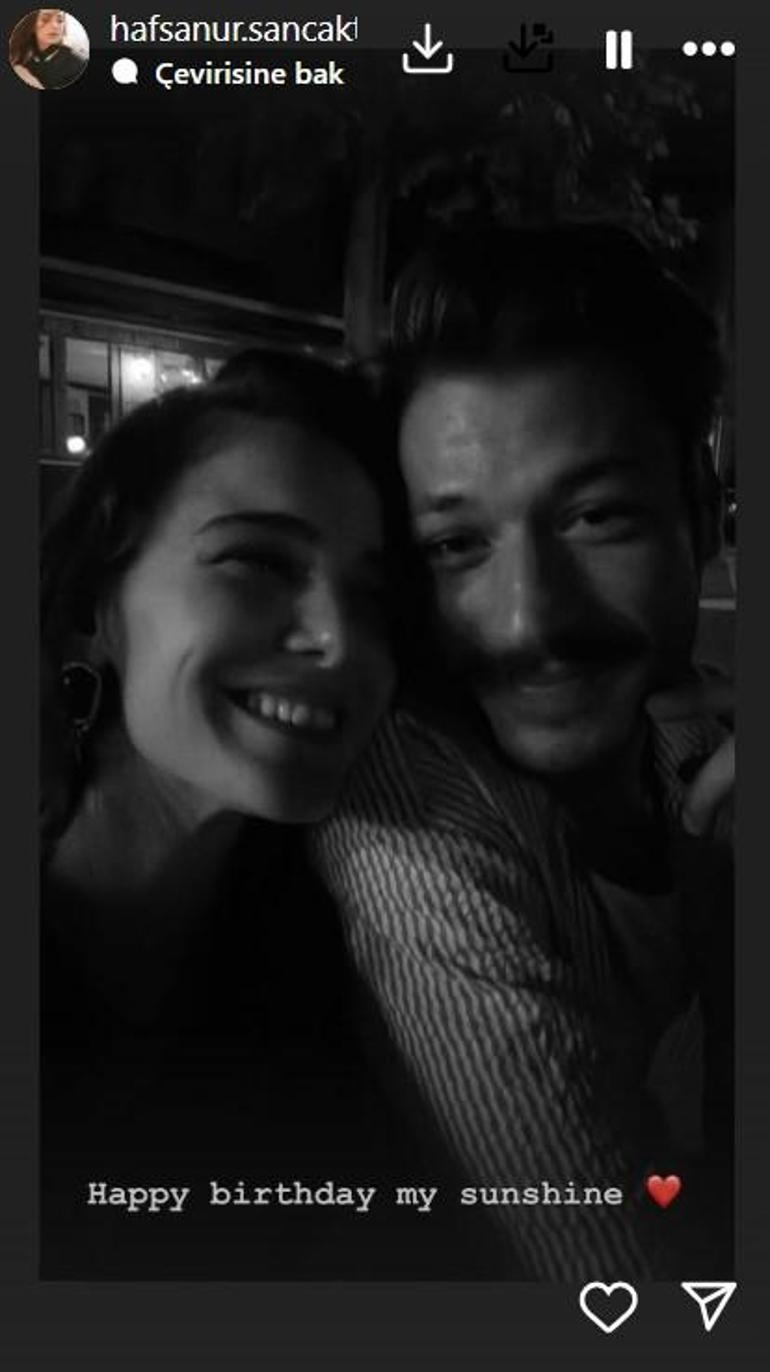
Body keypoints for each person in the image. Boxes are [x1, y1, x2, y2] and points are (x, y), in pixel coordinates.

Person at [310, 224, 734, 1280]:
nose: (526, 617)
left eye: (595, 516)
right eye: (457, 545)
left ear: (701, 510)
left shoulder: (693, 731)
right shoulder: (415, 822)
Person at [40, 357, 480, 1279]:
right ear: (94, 598)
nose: (337, 640)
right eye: (258, 561)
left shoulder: (353, 930)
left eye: (373, 600)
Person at [10, 9, 86, 90]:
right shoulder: (21, 52)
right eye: (45, 19)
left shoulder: (77, 62)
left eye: (60, 20)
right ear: (31, 23)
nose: (55, 25)